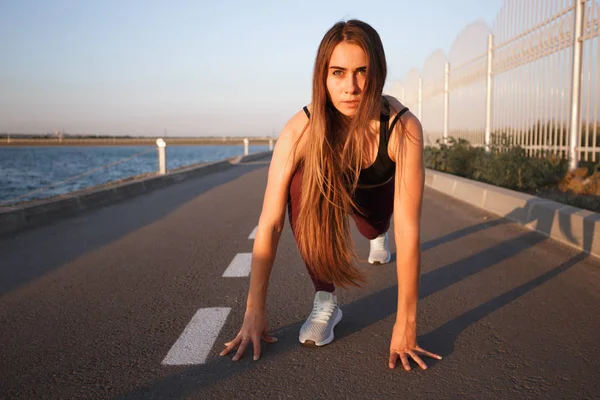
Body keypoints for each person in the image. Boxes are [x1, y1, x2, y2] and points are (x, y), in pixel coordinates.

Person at [220, 19, 441, 371]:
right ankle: (326, 299)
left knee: (373, 230)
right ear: (323, 77)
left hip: (374, 198)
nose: (350, 87)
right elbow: (272, 221)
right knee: (300, 182)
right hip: (332, 190)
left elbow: (410, 229)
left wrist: (406, 324)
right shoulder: (301, 129)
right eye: (338, 72)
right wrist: (254, 311)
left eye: (361, 72)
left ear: (378, 72)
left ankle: (375, 234)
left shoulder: (402, 127)